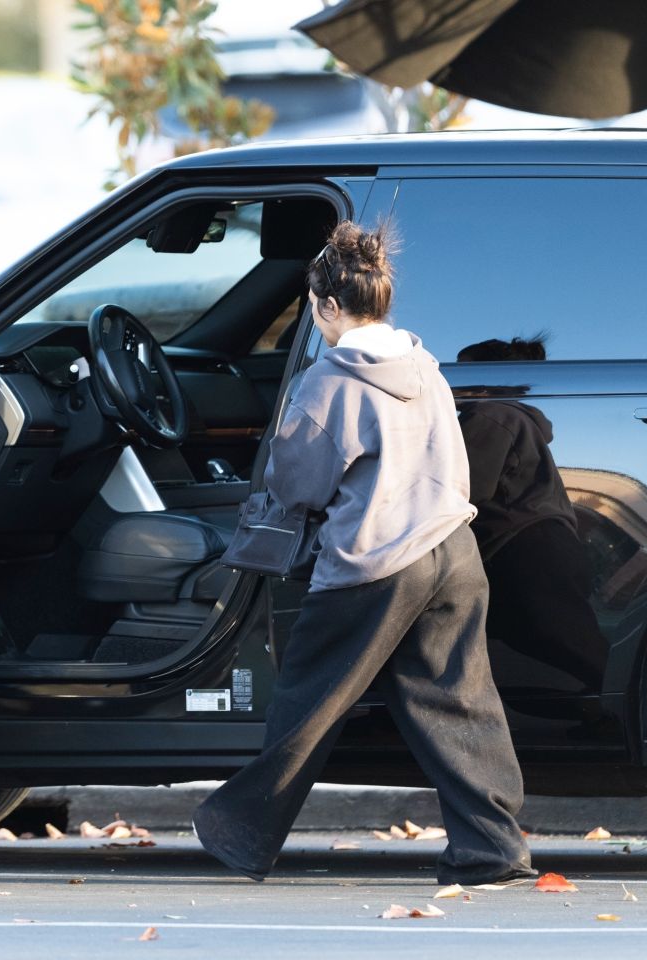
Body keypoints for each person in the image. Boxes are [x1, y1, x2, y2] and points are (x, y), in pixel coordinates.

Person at [192, 222, 534, 886]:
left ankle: (240, 832)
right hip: (452, 549)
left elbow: (295, 484)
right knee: (457, 702)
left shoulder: (330, 383)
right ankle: (492, 847)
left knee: (310, 698)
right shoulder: (424, 364)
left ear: (326, 305)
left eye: (313, 312)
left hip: (374, 562)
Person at [456, 338, 608, 692]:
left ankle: (623, 702)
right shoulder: (515, 418)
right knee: (558, 638)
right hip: (548, 545)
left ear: (484, 381)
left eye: (462, 372)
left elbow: (464, 487)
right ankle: (605, 706)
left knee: (567, 640)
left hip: (527, 548)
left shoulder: (491, 415)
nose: (454, 382)